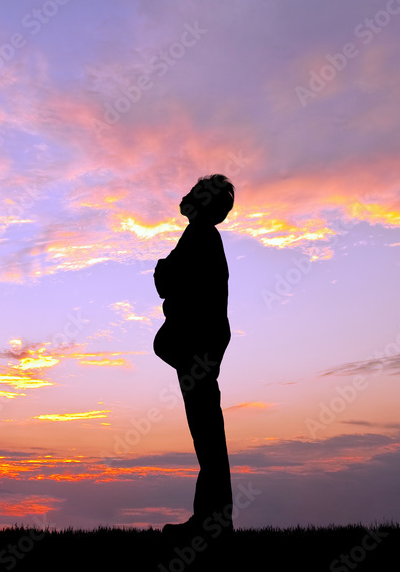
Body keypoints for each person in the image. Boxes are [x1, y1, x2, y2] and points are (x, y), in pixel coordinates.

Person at [154, 174, 235, 542]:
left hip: (198, 346)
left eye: (193, 192)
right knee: (207, 430)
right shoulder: (201, 236)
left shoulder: (200, 236)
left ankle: (213, 520)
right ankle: (212, 518)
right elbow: (169, 280)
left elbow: (165, 280)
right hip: (202, 345)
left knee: (207, 431)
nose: (183, 196)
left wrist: (163, 270)